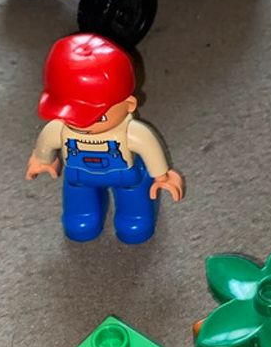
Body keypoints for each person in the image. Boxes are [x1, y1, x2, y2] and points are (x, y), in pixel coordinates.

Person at [26, 34, 184, 244]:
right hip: (79, 179)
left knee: (134, 218)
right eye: (71, 115)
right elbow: (47, 140)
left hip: (126, 179)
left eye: (97, 117)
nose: (84, 125)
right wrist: (42, 159)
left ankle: (135, 214)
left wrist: (161, 175)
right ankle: (84, 213)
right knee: (79, 218)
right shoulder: (60, 130)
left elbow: (149, 147)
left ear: (129, 105)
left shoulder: (131, 133)